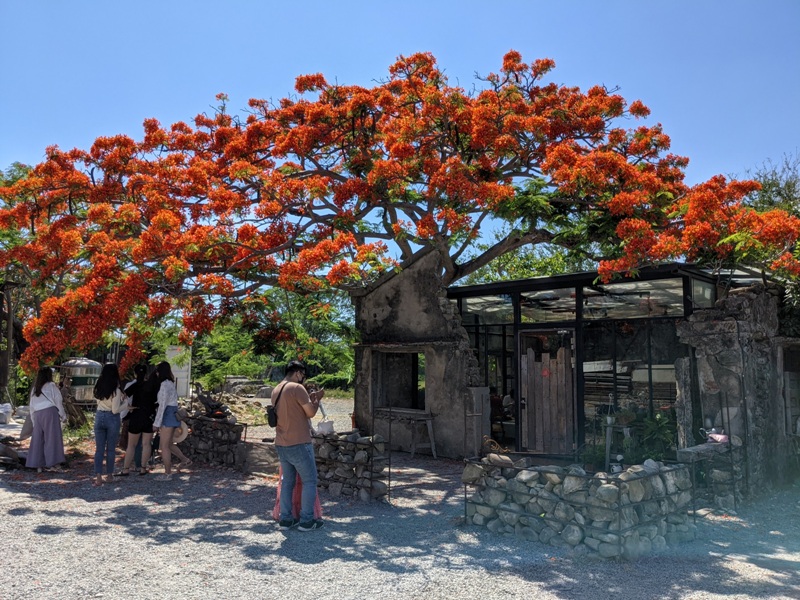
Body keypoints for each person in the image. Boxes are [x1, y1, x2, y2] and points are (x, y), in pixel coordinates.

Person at [272, 360, 324, 531]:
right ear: (297, 373)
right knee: (310, 481)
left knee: (287, 482)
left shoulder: (276, 389)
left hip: (282, 443)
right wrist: (316, 399)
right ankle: (307, 520)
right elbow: (311, 413)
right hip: (299, 442)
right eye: (302, 374)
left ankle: (286, 519)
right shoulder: (297, 388)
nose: (303, 378)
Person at [152, 361, 190, 480]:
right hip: (173, 413)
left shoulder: (164, 385)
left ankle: (168, 473)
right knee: (168, 444)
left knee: (164, 446)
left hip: (167, 415)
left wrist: (156, 423)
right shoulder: (171, 383)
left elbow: (162, 406)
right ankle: (185, 459)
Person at [25, 366, 67, 472]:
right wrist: (63, 416)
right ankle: (53, 464)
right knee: (52, 438)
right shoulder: (52, 386)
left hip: (38, 414)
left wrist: (34, 420)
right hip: (50, 413)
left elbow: (31, 406)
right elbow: (58, 401)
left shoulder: (35, 389)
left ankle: (38, 465)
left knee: (38, 440)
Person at [119, 364, 157, 476]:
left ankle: (126, 469)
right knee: (146, 444)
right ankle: (143, 468)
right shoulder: (151, 385)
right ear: (146, 373)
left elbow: (123, 396)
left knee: (131, 445)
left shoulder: (134, 385)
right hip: (149, 416)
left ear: (135, 374)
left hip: (136, 415)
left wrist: (128, 406)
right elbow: (157, 401)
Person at [93, 363, 125, 486]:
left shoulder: (98, 387)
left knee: (99, 449)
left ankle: (98, 476)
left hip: (99, 416)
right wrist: (125, 404)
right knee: (110, 449)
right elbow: (115, 410)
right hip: (112, 418)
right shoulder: (116, 390)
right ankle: (110, 475)